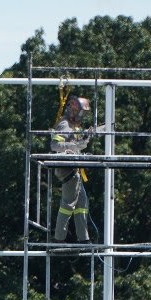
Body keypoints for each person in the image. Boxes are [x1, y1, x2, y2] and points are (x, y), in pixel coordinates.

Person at [50, 95, 93, 243]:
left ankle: (84, 238)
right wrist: (74, 146)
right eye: (81, 112)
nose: (82, 116)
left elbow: (77, 145)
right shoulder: (65, 125)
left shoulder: (74, 126)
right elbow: (54, 145)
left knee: (82, 204)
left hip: (75, 171)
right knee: (68, 206)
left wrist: (84, 140)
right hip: (68, 171)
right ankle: (58, 239)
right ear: (74, 110)